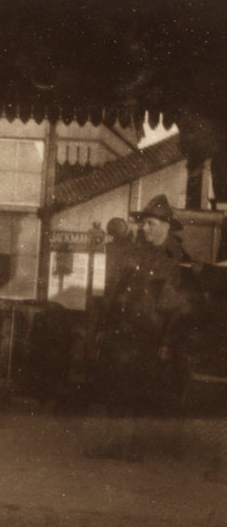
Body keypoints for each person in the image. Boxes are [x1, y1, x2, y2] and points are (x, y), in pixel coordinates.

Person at [88, 194, 196, 461]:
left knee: (143, 392)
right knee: (114, 388)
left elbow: (181, 309)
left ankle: (136, 446)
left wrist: (167, 342)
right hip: (123, 332)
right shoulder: (135, 254)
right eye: (143, 224)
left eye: (150, 224)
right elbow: (117, 292)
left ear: (166, 226)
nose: (144, 229)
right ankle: (112, 442)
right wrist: (104, 325)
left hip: (151, 337)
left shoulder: (177, 261)